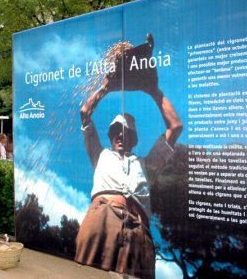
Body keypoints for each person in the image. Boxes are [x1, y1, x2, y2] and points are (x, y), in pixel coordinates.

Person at [75, 72, 183, 279]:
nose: (121, 134)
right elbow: (85, 112)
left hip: (138, 228)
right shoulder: (100, 154)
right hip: (102, 217)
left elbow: (175, 127)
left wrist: (153, 90)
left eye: (126, 131)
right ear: (110, 135)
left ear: (133, 139)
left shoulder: (146, 164)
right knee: (88, 274)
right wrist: (106, 87)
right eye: (116, 129)